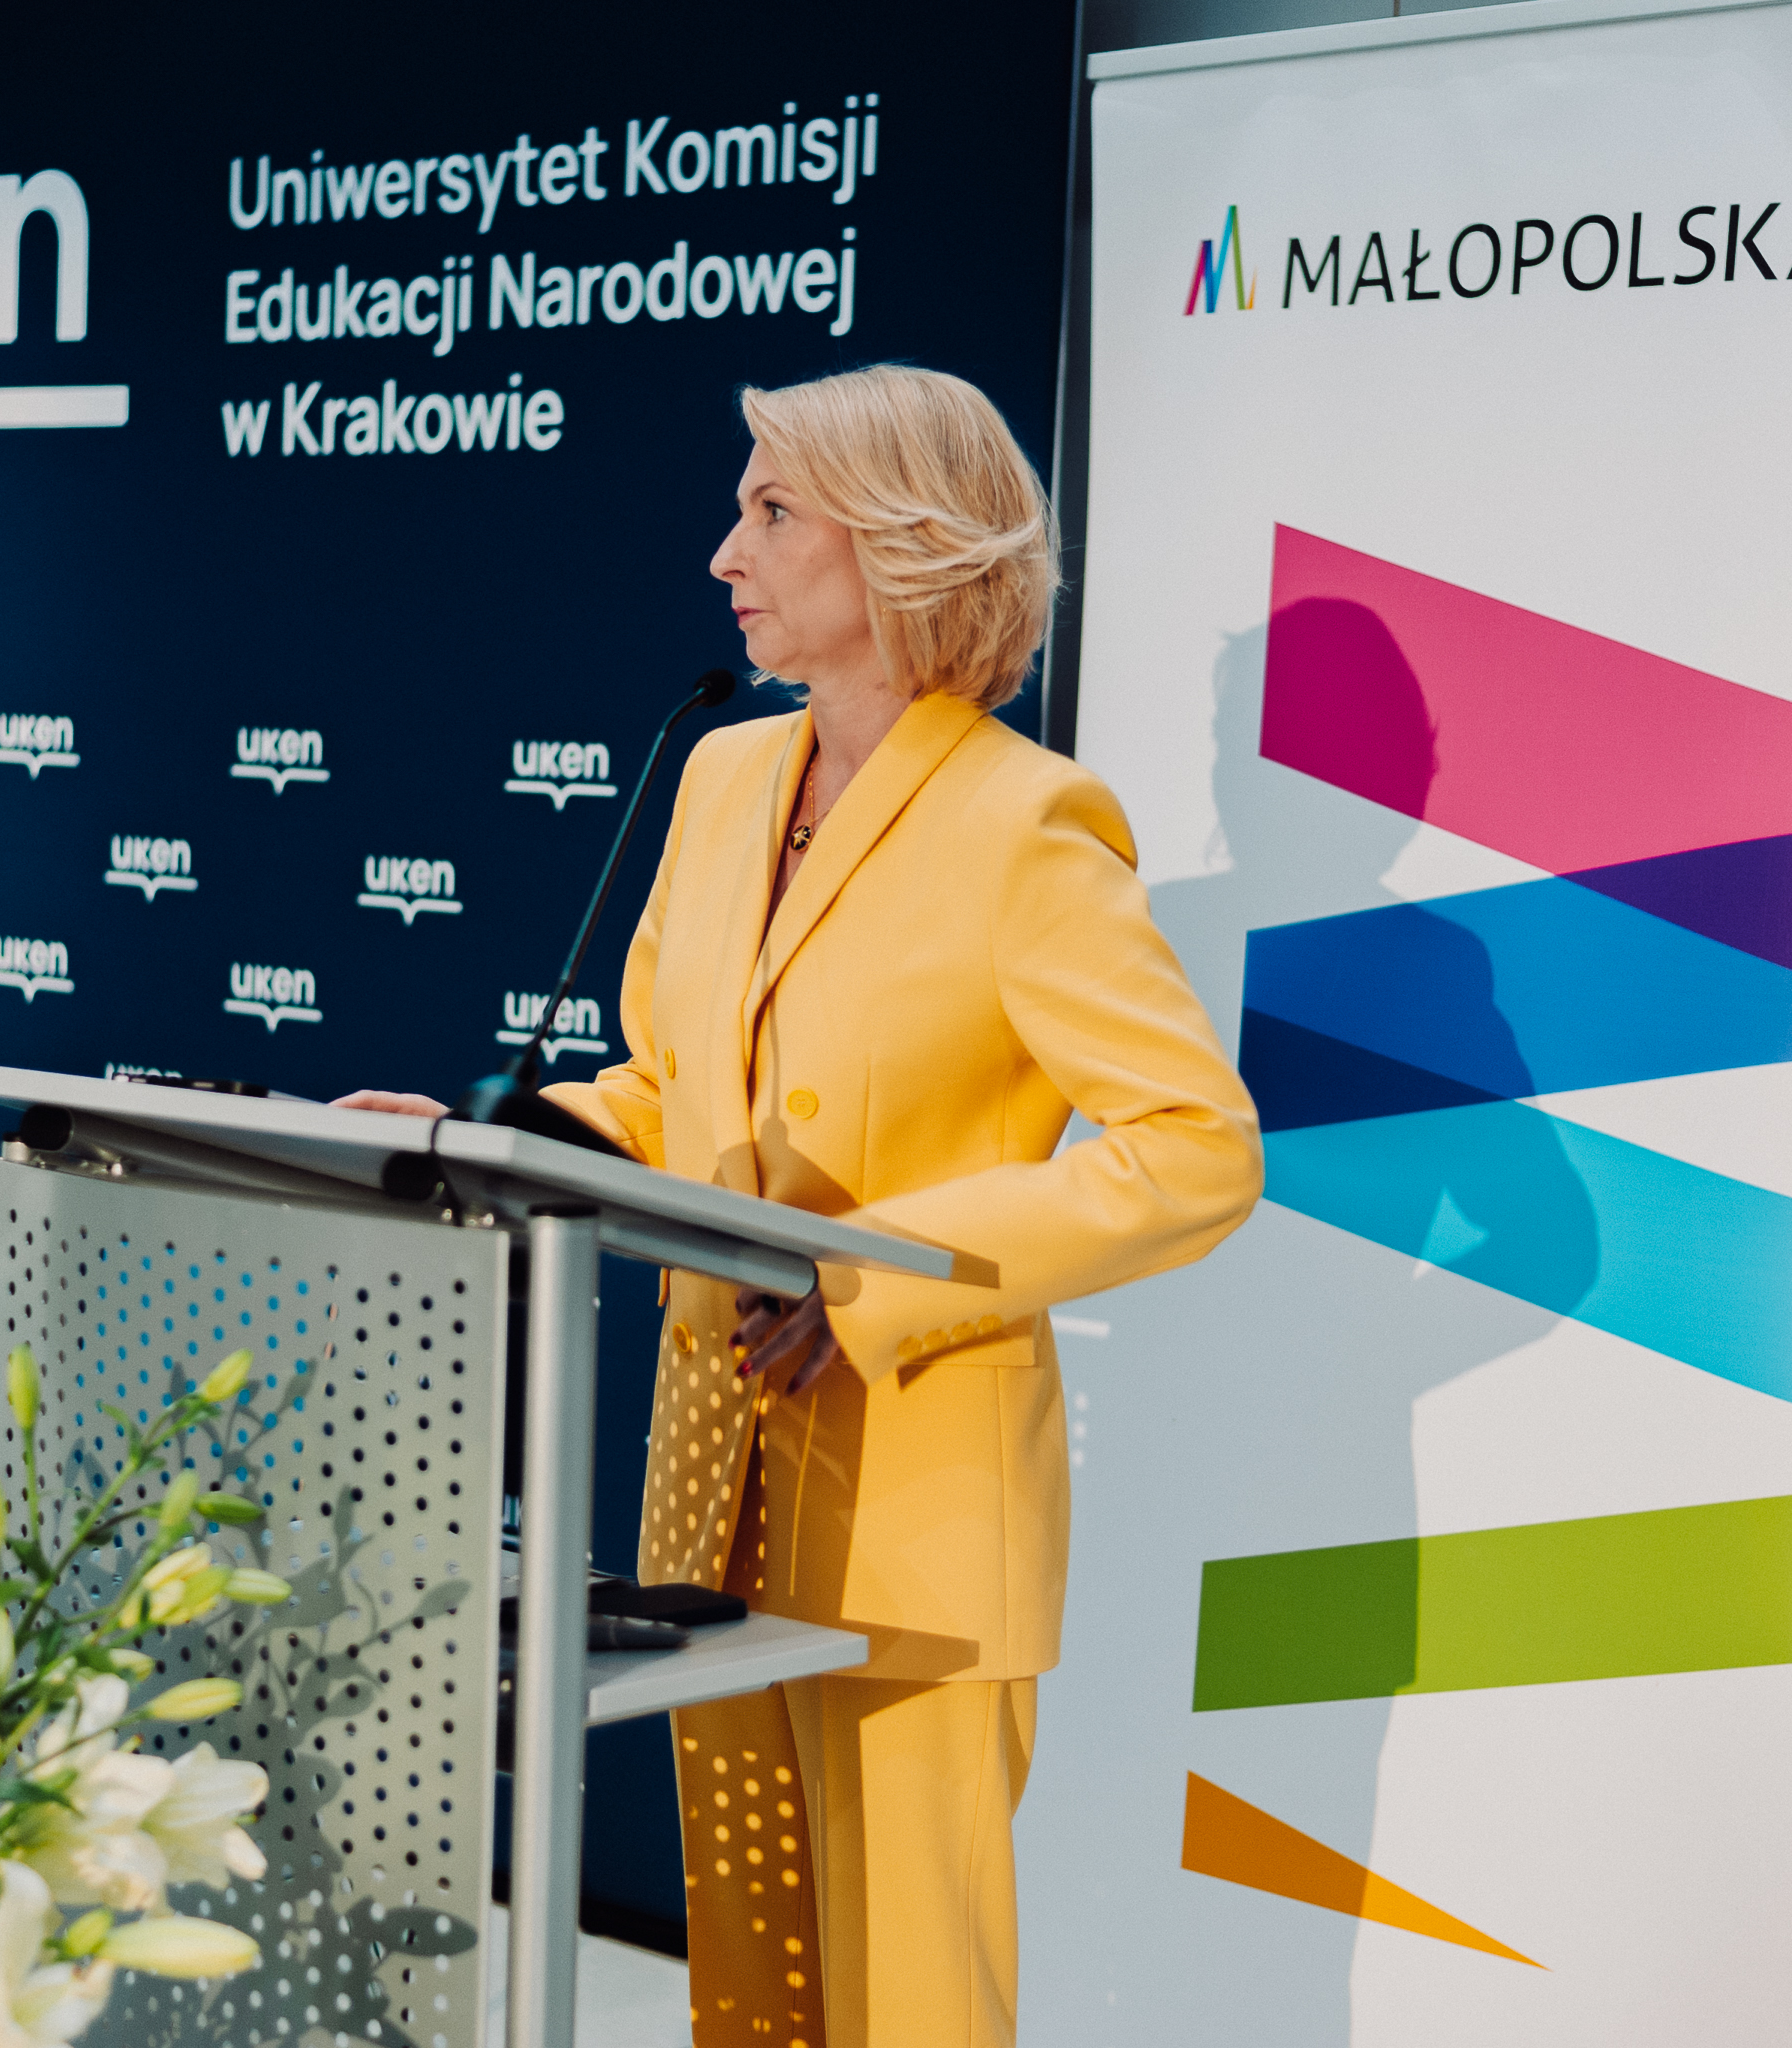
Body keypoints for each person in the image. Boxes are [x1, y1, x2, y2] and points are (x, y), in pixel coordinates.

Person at [338, 363, 1260, 2048]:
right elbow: (669, 1090)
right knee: (752, 2000)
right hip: (713, 1485)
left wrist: (874, 1284)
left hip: (915, 1506)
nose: (723, 554)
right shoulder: (721, 778)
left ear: (904, 545)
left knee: (909, 2009)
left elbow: (1195, 1148)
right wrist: (492, 1134)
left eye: (771, 512)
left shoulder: (1026, 821)